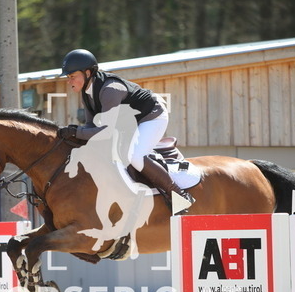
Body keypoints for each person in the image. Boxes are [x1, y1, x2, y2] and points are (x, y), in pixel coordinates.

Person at [58, 48, 194, 213]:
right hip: (131, 122)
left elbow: (105, 132)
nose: (69, 81)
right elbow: (90, 125)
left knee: (135, 156)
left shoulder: (110, 89)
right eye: (68, 77)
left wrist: (76, 132)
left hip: (152, 116)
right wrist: (74, 131)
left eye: (72, 76)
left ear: (87, 73)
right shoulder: (87, 92)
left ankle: (179, 195)